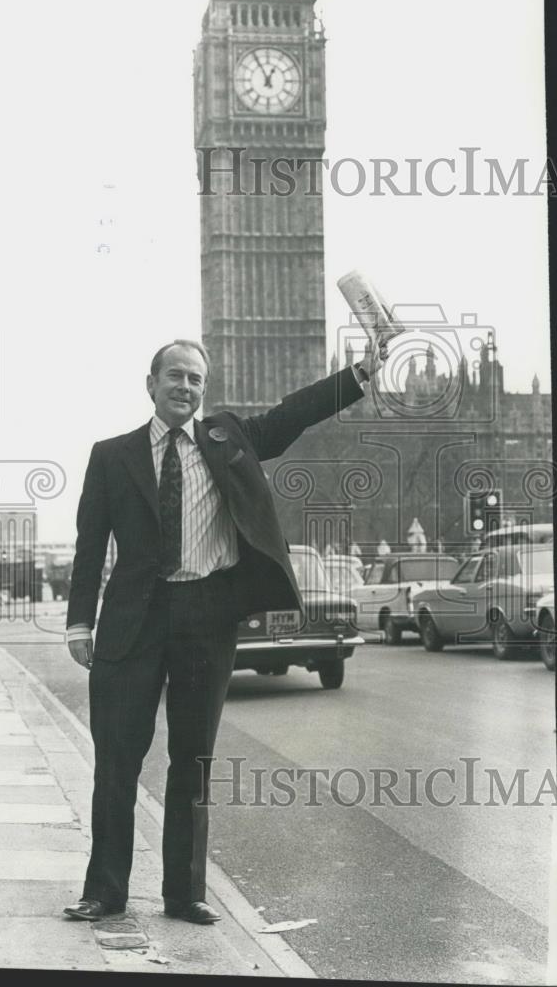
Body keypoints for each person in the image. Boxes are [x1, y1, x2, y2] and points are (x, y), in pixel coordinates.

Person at [63, 337, 387, 925]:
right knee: (116, 759)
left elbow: (293, 413)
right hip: (131, 621)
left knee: (194, 759)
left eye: (195, 380)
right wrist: (78, 623)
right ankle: (104, 890)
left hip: (205, 617)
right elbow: (90, 548)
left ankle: (184, 893)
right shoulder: (111, 455)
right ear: (151, 384)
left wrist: (359, 373)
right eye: (175, 377)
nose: (185, 388)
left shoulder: (228, 438)